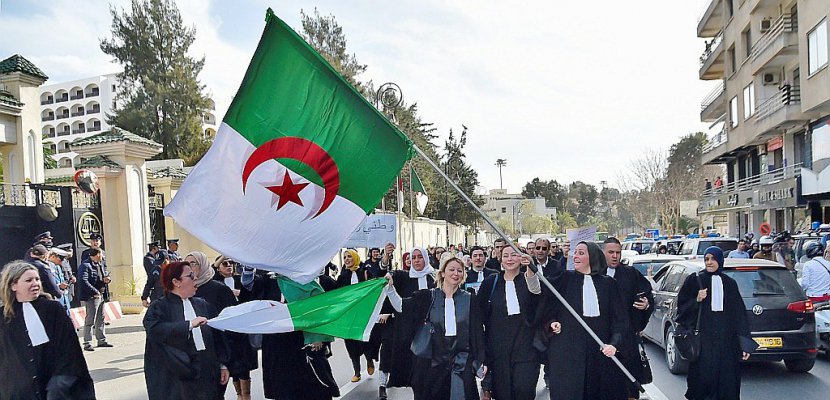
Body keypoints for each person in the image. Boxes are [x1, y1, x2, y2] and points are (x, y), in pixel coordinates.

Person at [385, 255, 485, 400]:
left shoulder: (470, 299)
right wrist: (390, 289)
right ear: (443, 273)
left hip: (461, 362)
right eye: (451, 269)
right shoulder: (427, 297)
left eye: (459, 270)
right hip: (431, 363)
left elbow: (477, 333)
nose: (455, 273)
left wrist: (480, 360)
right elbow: (401, 307)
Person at [542, 241, 629, 400]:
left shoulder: (608, 284)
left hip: (601, 353)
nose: (575, 256)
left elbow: (620, 321)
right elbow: (544, 301)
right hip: (569, 354)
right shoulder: (564, 279)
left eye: (581, 253)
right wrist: (552, 322)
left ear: (593, 257)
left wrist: (614, 345)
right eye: (575, 252)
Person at [238, 269, 339, 400]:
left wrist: (317, 336)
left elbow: (318, 308)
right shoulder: (268, 281)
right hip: (277, 344)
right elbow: (248, 287)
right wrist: (248, 268)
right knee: (283, 387)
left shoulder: (304, 280)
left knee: (313, 387)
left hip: (302, 341)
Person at [0, 261, 96, 399]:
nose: (35, 283)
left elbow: (69, 349)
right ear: (13, 285)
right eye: (28, 280)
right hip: (19, 391)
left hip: (53, 385)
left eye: (37, 279)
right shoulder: (4, 317)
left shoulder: (53, 309)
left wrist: (61, 380)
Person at [676, 247, 755, 400]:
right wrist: (696, 300)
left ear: (720, 260)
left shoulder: (730, 283)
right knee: (702, 379)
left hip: (727, 343)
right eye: (707, 259)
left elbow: (739, 314)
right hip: (703, 342)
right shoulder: (695, 280)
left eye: (713, 259)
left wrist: (745, 343)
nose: (710, 262)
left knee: (727, 381)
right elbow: (681, 310)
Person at [143, 261, 230, 400]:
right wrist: (188, 325)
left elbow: (217, 337)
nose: (195, 278)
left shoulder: (203, 304)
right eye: (190, 275)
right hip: (177, 373)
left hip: (207, 369)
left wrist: (222, 364)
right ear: (176, 282)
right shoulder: (159, 307)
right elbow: (155, 330)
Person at [477, 246, 541, 400]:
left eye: (514, 255)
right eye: (506, 256)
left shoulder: (528, 279)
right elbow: (479, 315)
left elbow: (537, 293)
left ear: (521, 258)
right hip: (498, 350)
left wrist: (531, 267)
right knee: (503, 393)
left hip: (526, 348)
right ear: (500, 259)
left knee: (524, 389)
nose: (510, 259)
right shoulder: (491, 282)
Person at [378, 246, 436, 398]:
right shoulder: (404, 276)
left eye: (420, 257)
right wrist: (386, 259)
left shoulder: (434, 278)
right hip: (409, 333)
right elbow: (386, 275)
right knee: (415, 377)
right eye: (414, 257)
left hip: (433, 334)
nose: (417, 260)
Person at [603, 238, 653, 399]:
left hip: (628, 339)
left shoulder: (630, 273)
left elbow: (646, 294)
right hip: (603, 338)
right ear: (602, 253)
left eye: (618, 252)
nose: (615, 256)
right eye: (611, 252)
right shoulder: (595, 274)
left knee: (629, 383)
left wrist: (646, 304)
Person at [336, 249, 375, 382]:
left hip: (363, 313)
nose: (347, 259)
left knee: (364, 339)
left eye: (349, 257)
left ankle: (369, 360)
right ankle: (357, 371)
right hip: (349, 315)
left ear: (355, 258)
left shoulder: (364, 272)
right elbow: (337, 294)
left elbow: (373, 286)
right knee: (350, 342)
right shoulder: (342, 277)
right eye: (345, 257)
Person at [78, 248, 113, 351]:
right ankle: (87, 342)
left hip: (101, 294)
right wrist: (94, 291)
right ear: (97, 254)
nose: (102, 256)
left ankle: (101, 340)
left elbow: (102, 276)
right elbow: (83, 281)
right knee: (90, 320)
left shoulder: (100, 264)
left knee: (101, 318)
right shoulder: (85, 265)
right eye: (101, 254)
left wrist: (106, 279)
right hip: (92, 296)